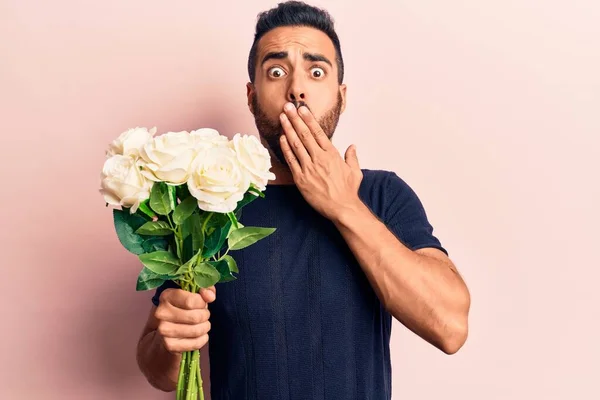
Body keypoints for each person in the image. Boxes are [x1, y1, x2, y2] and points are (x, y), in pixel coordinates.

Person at [136, 1, 471, 399]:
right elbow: (161, 372)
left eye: (316, 72)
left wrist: (344, 206)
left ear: (341, 96)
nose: (296, 88)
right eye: (276, 72)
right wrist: (171, 340)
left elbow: (450, 327)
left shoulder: (383, 194)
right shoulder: (209, 205)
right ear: (251, 95)